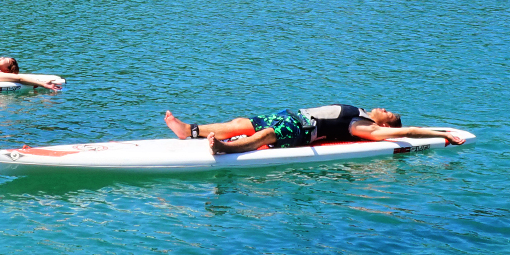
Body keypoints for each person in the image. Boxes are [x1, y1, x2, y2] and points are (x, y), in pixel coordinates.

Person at [162, 104, 465, 154]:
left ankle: (224, 148)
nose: (385, 109)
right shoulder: (361, 111)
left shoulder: (365, 127)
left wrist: (443, 136)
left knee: (267, 136)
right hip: (290, 114)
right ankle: (188, 130)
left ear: (385, 123)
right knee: (238, 123)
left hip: (301, 131)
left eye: (389, 113)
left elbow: (405, 132)